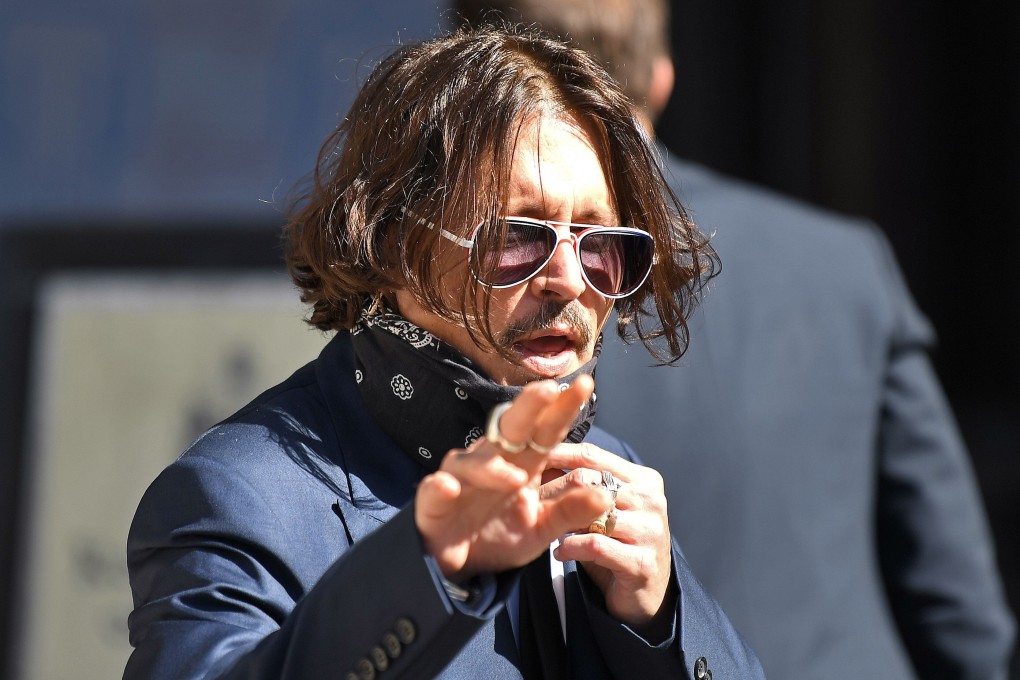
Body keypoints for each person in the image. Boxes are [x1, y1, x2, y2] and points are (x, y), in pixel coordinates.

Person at [124, 25, 766, 679]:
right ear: (395, 243)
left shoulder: (610, 472)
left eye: (601, 244)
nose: (571, 279)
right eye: (519, 237)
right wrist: (426, 565)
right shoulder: (240, 494)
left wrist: (657, 619)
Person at [450, 1, 1017, 678]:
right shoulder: (844, 263)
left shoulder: (475, 286)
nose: (574, 277)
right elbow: (960, 610)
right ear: (661, 77)